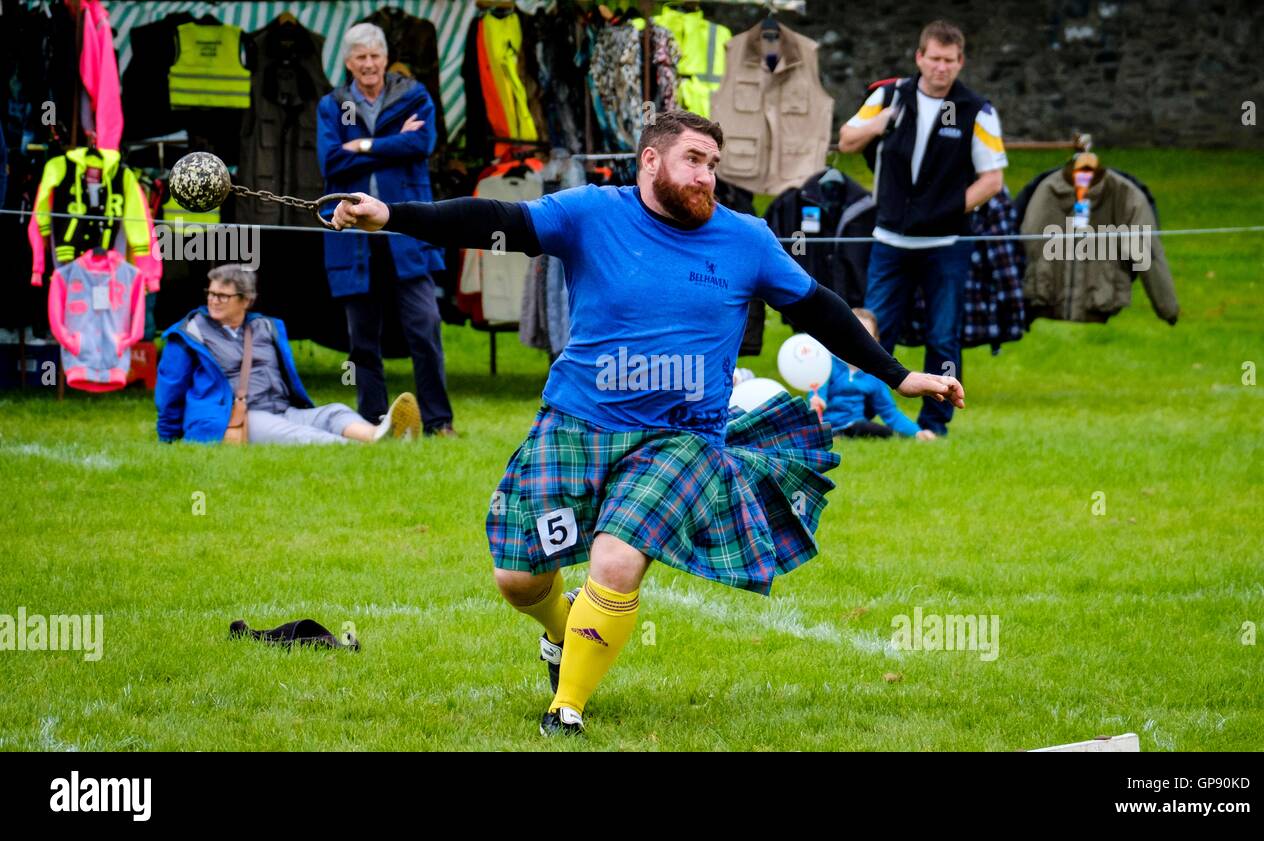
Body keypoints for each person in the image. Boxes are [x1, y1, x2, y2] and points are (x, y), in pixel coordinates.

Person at [330, 110, 965, 736]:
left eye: (714, 165)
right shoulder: (591, 213)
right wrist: (392, 215)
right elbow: (499, 219)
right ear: (651, 161)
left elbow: (818, 308)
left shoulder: (746, 239)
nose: (707, 177)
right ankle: (562, 630)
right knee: (518, 576)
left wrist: (899, 375)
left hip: (682, 436)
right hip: (578, 418)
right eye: (694, 160)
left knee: (616, 559)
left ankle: (566, 710)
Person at [838, 20, 1007, 437]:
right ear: (919, 58)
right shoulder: (889, 95)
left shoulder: (977, 110)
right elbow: (846, 140)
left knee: (943, 336)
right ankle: (866, 419)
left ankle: (936, 424)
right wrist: (880, 124)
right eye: (934, 58)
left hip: (946, 244)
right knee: (873, 331)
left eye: (950, 61)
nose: (941, 68)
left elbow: (992, 179)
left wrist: (948, 211)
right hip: (890, 240)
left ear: (960, 62)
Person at [317, 23, 455, 437]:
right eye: (360, 57)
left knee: (425, 326)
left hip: (405, 229)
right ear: (348, 63)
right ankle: (373, 421)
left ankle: (438, 421)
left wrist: (360, 145)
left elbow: (421, 145)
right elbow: (330, 163)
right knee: (361, 338)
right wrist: (389, 145)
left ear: (385, 57)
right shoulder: (333, 104)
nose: (369, 64)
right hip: (354, 236)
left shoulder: (413, 95)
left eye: (375, 56)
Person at [156, 264, 421, 445]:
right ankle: (360, 451)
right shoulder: (189, 334)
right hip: (234, 416)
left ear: (246, 300)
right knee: (299, 435)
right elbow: (170, 389)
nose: (214, 300)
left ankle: (377, 435)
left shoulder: (265, 327)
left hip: (281, 408)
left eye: (223, 296)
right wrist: (167, 437)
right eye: (211, 294)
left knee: (333, 412)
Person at [811, 309, 939, 441]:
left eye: (865, 336)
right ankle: (832, 435)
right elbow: (817, 393)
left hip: (856, 426)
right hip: (823, 426)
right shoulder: (827, 365)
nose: (857, 340)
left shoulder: (875, 375)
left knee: (872, 429)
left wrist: (917, 433)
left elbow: (889, 412)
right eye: (852, 333)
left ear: (874, 342)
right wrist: (816, 403)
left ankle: (841, 435)